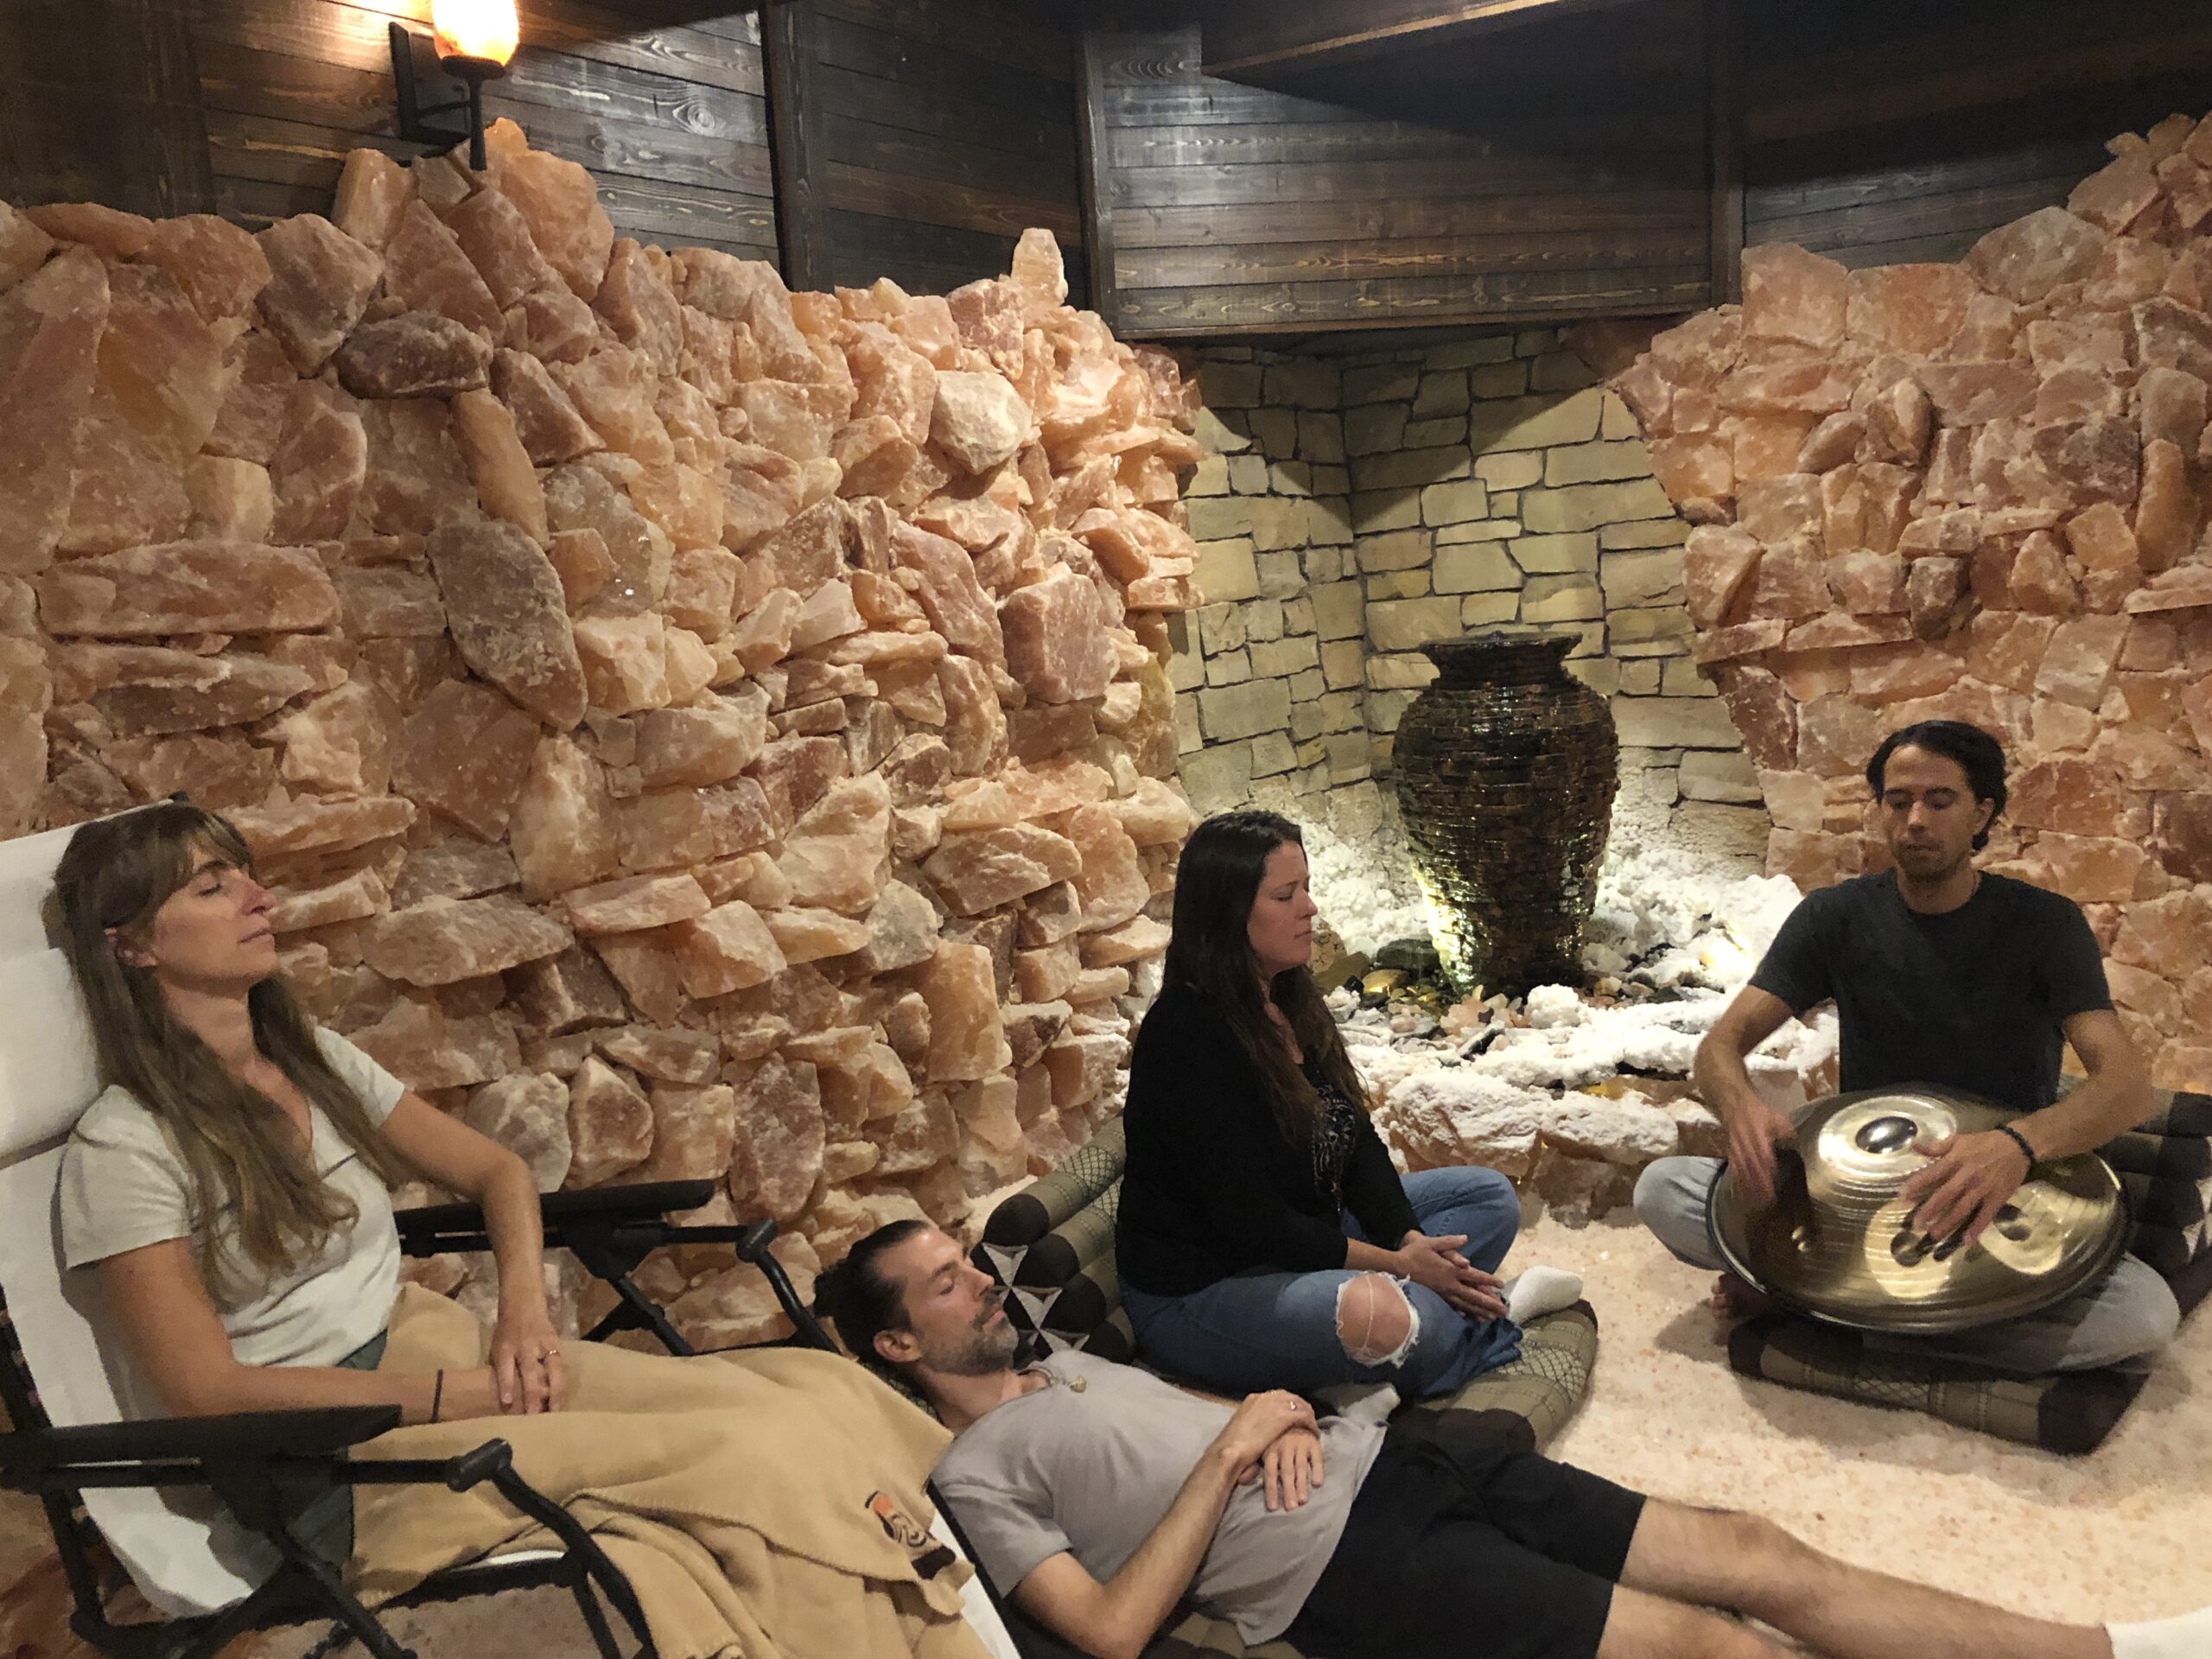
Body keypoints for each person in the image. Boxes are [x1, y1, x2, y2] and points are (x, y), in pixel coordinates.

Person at [49, 803, 985, 1659]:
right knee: (741, 1461)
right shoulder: (127, 1150)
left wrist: (525, 1320)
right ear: (129, 946)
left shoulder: (308, 1059)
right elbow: (205, 1394)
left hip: (440, 1357)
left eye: (242, 874)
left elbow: (497, 1172)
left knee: (806, 1393)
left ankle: (964, 1613)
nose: (258, 897)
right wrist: (449, 1396)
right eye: (213, 889)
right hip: (332, 1463)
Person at [818, 1217, 2207, 1659]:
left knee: (1754, 1549)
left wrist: (1287, 1410)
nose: (982, 1283)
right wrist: (1239, 1452)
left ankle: (2112, 1650)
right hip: (1345, 1574)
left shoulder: (1056, 1361)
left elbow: (1227, 1418)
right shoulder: (971, 1474)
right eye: (946, 1284)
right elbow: (1111, 1633)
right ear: (894, 1347)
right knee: (1710, 1648)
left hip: (1411, 1459)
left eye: (968, 1259)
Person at [1633, 719, 2181, 1374]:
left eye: (1940, 801)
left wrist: (2017, 1146)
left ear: (1982, 814)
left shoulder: (2045, 924)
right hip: (1856, 1177)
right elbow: (1720, 1046)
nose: (1916, 819)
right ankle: (1902, 1330)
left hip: (1993, 1185)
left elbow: (2127, 1086)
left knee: (2144, 1316)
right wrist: (1741, 1110)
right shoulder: (1834, 917)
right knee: (1662, 1190)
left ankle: (1825, 1317)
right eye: (1898, 802)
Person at [1113, 809, 1577, 1406]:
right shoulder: (1186, 1032)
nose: (1309, 908)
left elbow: (1356, 1146)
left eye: (1306, 888)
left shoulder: (1289, 999)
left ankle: (1373, 1337)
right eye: (1286, 895)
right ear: (1228, 914)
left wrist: (1407, 1240)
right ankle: (1490, 1314)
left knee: (1487, 1198)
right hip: (1207, 1289)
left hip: (1304, 1246)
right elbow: (1252, 1225)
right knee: (1410, 1322)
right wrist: (1403, 1268)